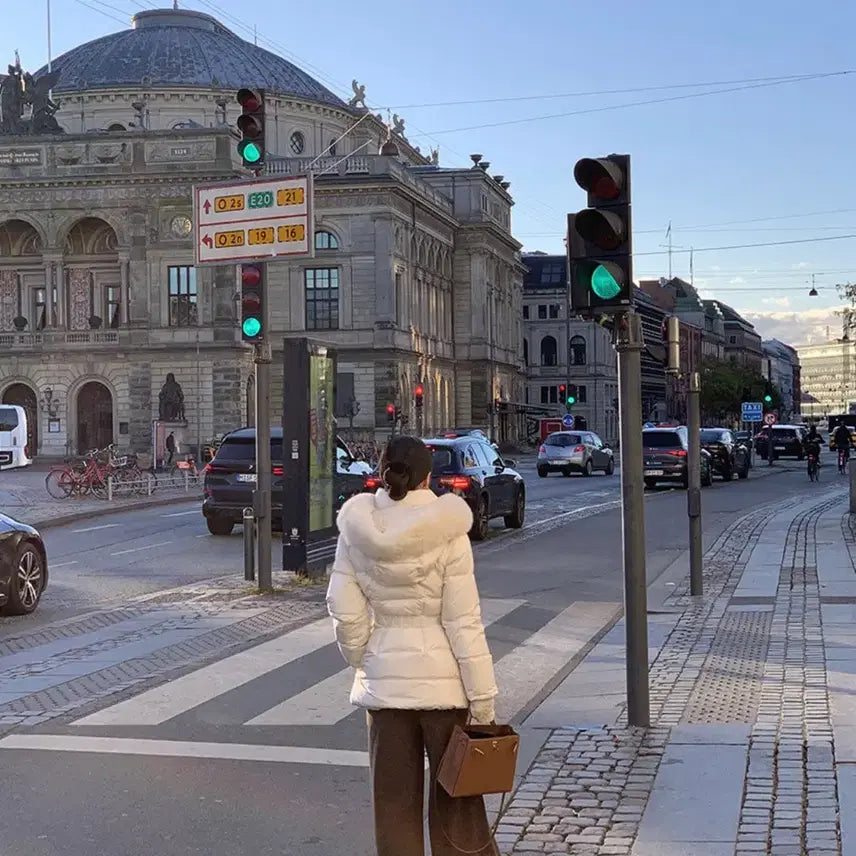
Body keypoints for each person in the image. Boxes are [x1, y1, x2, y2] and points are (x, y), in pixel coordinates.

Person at [326, 435, 500, 856]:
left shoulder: (357, 529)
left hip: (385, 689)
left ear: (382, 471)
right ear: (427, 476)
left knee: (393, 809)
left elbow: (344, 608)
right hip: (445, 688)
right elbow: (463, 622)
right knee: (456, 803)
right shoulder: (447, 531)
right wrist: (483, 699)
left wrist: (364, 657)